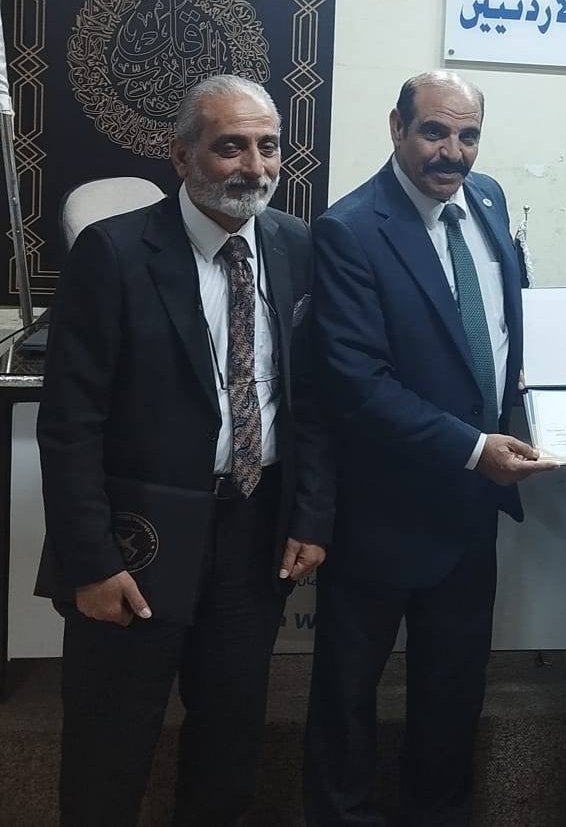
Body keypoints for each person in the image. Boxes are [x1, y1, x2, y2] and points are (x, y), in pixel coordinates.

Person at [36, 74, 331, 825]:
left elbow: (311, 401)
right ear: (180, 155)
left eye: (268, 147)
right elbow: (70, 425)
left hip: (253, 534)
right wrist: (91, 562)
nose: (255, 167)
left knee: (230, 745)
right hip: (139, 542)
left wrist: (310, 515)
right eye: (231, 147)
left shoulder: (296, 246)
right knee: (109, 750)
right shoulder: (114, 253)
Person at [304, 70, 556, 825]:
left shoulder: (490, 202)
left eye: (468, 135)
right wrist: (475, 447)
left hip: (470, 512)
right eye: (435, 132)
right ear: (397, 127)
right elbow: (357, 383)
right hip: (381, 514)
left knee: (453, 693)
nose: (453, 152)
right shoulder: (350, 229)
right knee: (347, 697)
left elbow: (506, 332)